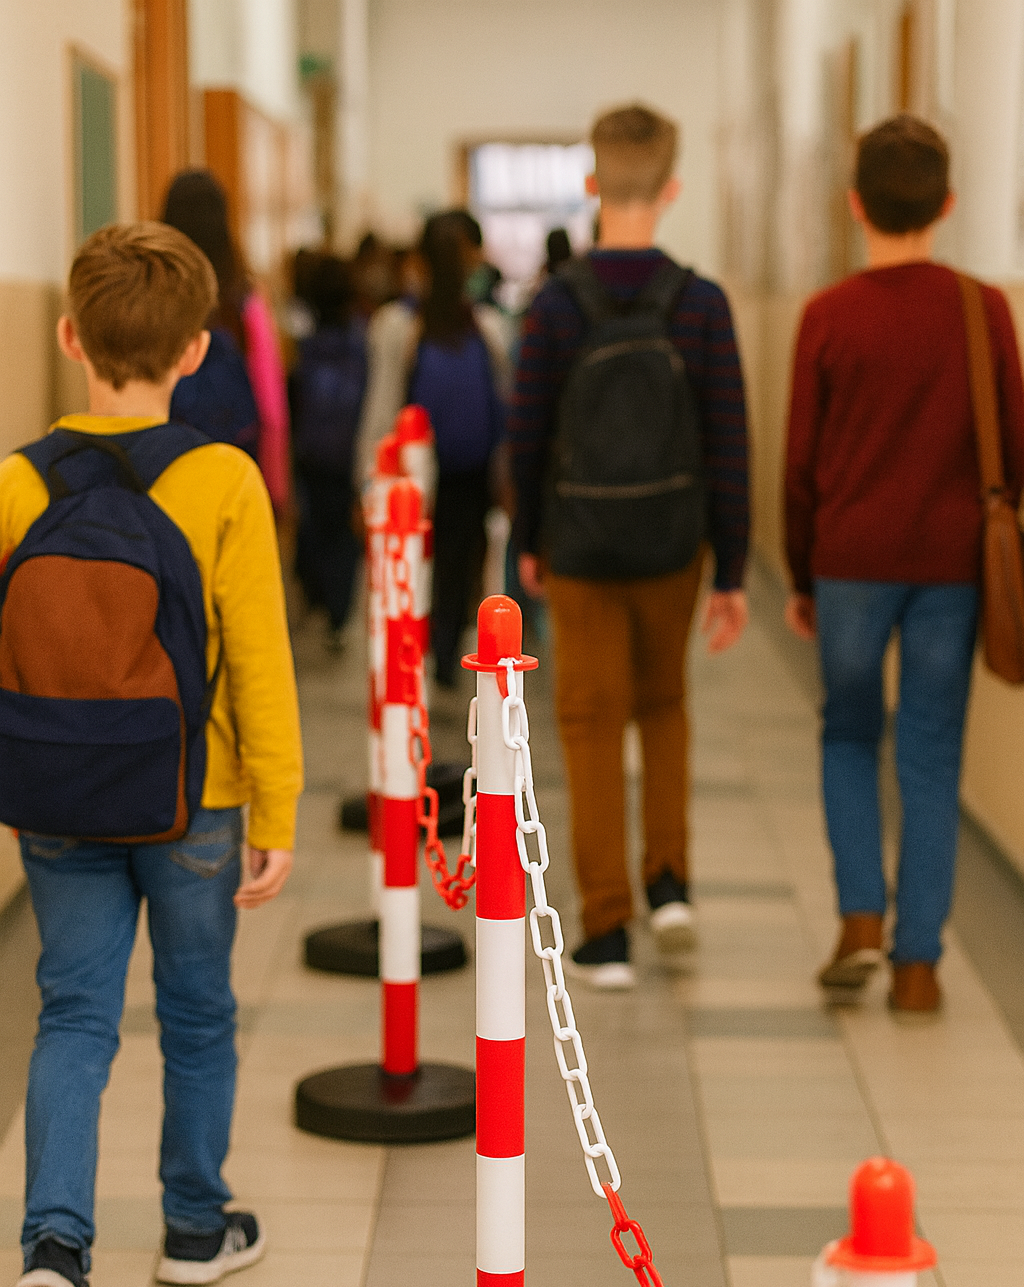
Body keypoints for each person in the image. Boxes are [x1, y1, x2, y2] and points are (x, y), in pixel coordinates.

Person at [1, 222, 303, 1287]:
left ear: (71, 337)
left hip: (56, 791)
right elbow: (258, 660)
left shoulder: (21, 479)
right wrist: (273, 807)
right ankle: (192, 1226)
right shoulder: (221, 477)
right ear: (197, 351)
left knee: (73, 1017)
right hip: (196, 798)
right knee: (196, 1011)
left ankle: (57, 1256)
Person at [784, 115, 1024, 1012]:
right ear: (950, 206)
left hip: (848, 564)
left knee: (848, 733)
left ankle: (858, 918)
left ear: (854, 207)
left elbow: (800, 464)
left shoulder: (827, 316)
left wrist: (802, 576)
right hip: (953, 569)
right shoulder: (981, 308)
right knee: (930, 753)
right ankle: (919, 965)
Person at [510, 104, 750, 989]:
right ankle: (672, 883)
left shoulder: (553, 308)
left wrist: (526, 546)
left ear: (590, 184)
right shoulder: (701, 304)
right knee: (665, 705)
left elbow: (525, 436)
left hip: (578, 541)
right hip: (672, 541)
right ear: (673, 188)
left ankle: (606, 928)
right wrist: (731, 566)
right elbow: (729, 440)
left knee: (588, 721)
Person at [355, 210, 510, 685]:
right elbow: (504, 403)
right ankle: (447, 652)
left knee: (415, 558)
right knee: (461, 559)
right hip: (471, 469)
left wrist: (366, 481)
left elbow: (382, 408)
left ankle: (414, 646)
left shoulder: (396, 325)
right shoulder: (488, 326)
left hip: (415, 471)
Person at [161, 170, 291, 516]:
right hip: (234, 476)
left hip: (166, 475)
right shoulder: (243, 299)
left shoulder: (152, 299)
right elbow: (271, 407)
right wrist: (275, 490)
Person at [290, 251, 367, 648]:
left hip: (311, 449)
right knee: (343, 534)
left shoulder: (306, 343)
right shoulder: (358, 343)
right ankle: (338, 611)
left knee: (316, 524)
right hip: (346, 450)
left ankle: (318, 598)